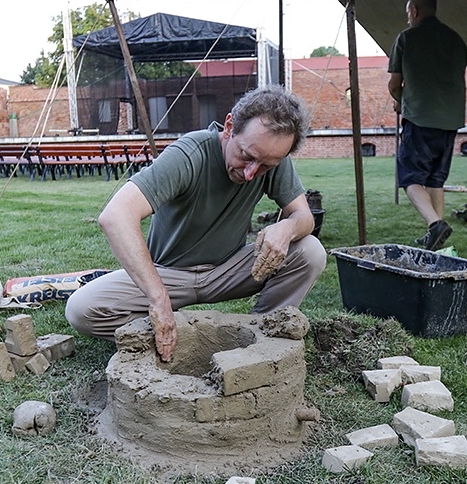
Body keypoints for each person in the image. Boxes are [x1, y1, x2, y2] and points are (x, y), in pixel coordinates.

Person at [65, 84, 326, 362]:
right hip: (169, 273)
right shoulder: (189, 154)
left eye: (265, 167)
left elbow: (304, 217)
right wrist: (158, 300)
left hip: (228, 270)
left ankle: (260, 336)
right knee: (82, 309)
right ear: (229, 127)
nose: (252, 173)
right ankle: (168, 332)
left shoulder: (271, 156)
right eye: (246, 157)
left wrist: (286, 228)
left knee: (310, 252)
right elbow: (116, 216)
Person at [387, 0, 467, 251]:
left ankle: (435, 224)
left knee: (410, 177)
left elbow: (394, 83)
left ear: (414, 11)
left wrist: (400, 99)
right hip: (451, 121)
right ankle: (436, 238)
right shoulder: (457, 40)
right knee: (436, 179)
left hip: (420, 117)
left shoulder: (406, 38)